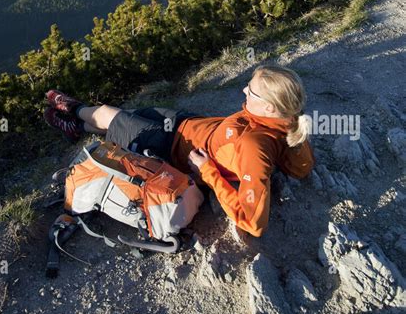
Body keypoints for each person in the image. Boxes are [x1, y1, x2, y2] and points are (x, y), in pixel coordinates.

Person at [43, 62, 315, 238]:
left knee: (110, 116)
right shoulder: (286, 121)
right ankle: (77, 122)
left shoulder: (255, 146)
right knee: (121, 117)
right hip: (186, 123)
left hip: (168, 147)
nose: (244, 90)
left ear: (269, 107)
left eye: (251, 92)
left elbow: (253, 223)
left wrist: (208, 172)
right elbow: (302, 168)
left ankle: (74, 112)